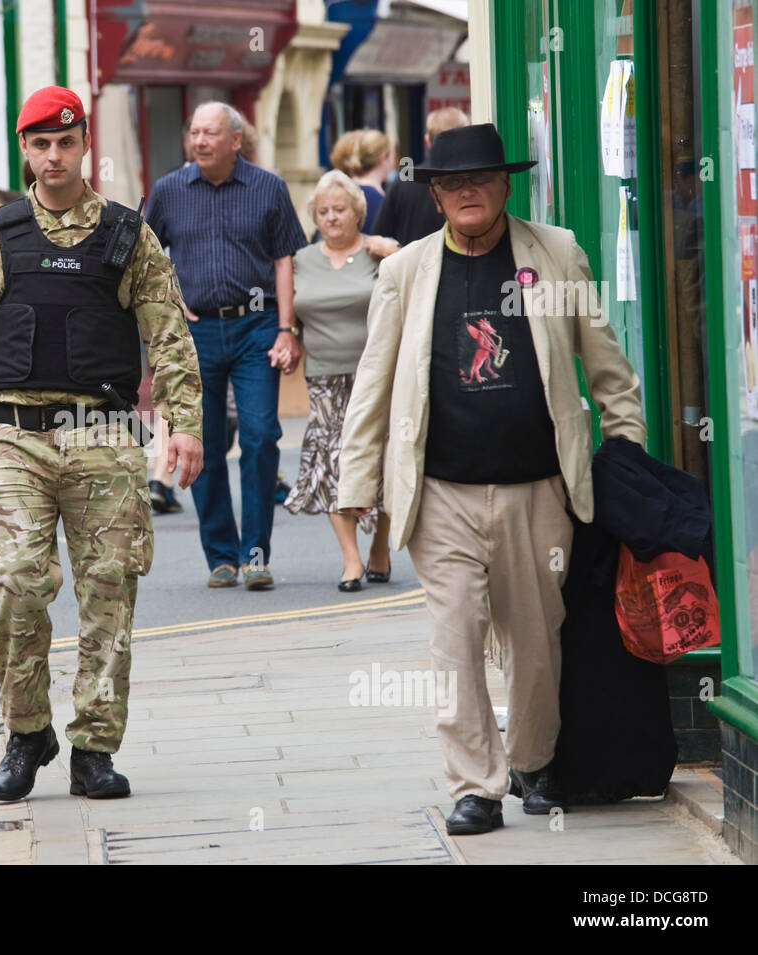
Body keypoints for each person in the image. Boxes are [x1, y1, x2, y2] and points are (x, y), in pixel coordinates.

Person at [336, 124, 648, 836]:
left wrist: (624, 445)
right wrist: (357, 479)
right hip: (440, 491)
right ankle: (476, 783)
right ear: (436, 194)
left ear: (506, 184)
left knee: (536, 640)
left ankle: (532, 760)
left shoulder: (555, 252)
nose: (466, 191)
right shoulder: (406, 270)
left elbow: (605, 362)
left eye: (479, 178)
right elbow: (375, 381)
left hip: (538, 489)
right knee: (454, 639)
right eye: (451, 183)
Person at [0, 86, 204, 801]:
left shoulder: (125, 235)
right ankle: (27, 733)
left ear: (85, 145)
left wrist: (187, 424)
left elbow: (169, 334)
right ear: (24, 149)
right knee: (16, 578)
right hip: (13, 436)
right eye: (40, 144)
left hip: (106, 435)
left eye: (67, 142)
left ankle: (93, 746)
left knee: (109, 590)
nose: (54, 157)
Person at [145, 101, 306, 590]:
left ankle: (255, 555)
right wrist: (171, 305)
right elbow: (147, 258)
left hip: (256, 326)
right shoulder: (169, 190)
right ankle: (221, 556)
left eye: (210, 133)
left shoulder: (268, 188)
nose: (199, 141)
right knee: (202, 444)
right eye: (194, 132)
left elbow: (284, 261)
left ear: (236, 140)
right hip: (195, 334)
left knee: (260, 436)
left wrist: (285, 329)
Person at [284, 170, 393, 590]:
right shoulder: (301, 259)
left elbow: (417, 278)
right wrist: (287, 339)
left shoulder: (377, 253)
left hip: (375, 373)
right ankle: (351, 559)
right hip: (324, 378)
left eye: (340, 209)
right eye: (323, 211)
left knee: (378, 460)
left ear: (358, 212)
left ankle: (379, 546)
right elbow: (290, 314)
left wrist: (393, 249)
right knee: (332, 463)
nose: (331, 218)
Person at [371, 107, 469, 250]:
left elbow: (379, 236)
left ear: (427, 140)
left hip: (410, 269)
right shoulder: (474, 182)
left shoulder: (405, 180)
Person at [330, 129, 394, 234]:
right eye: (393, 156)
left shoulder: (342, 190)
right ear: (383, 158)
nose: (394, 162)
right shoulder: (379, 201)